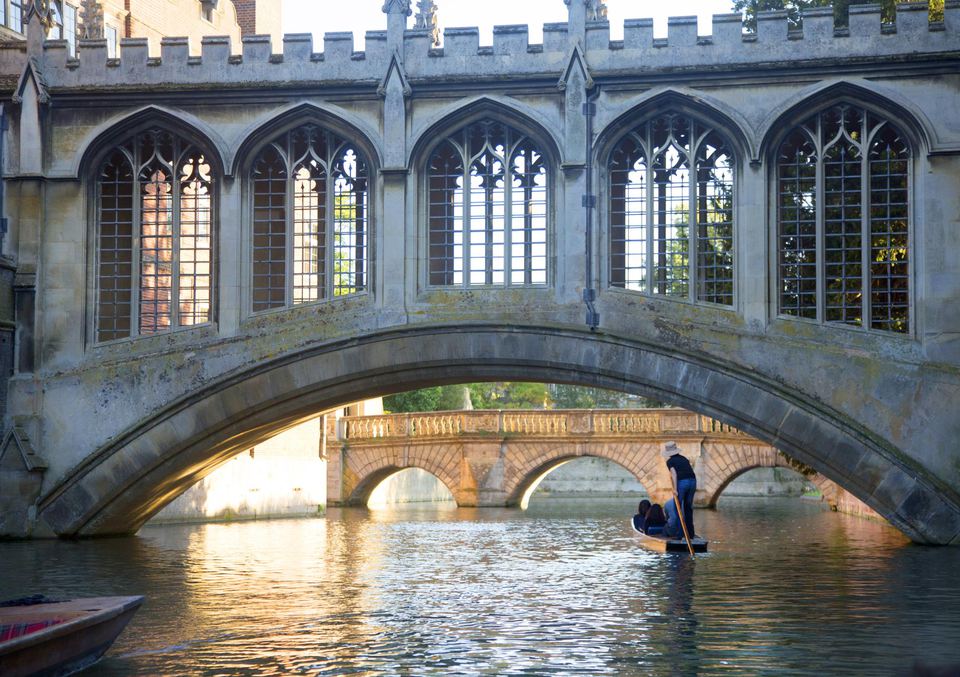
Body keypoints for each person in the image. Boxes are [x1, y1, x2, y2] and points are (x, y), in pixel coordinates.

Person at [662, 440, 696, 538]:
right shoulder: (684, 458)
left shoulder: (670, 461)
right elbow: (689, 471)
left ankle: (680, 534)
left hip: (682, 483)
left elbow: (674, 474)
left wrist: (675, 489)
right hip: (693, 481)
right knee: (688, 508)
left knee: (678, 509)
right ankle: (690, 534)